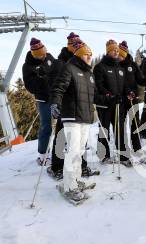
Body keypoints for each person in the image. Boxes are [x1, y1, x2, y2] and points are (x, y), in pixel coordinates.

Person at [50, 40, 96, 202]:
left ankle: (75, 179)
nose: (89, 56)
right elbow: (59, 87)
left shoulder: (89, 74)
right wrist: (55, 102)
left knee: (80, 151)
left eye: (91, 54)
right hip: (71, 116)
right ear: (78, 54)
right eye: (86, 54)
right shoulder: (69, 68)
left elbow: (94, 96)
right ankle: (69, 186)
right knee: (73, 150)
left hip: (85, 117)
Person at [94, 39, 131, 167]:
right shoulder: (100, 67)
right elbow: (98, 85)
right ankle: (104, 155)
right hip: (105, 104)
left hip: (118, 104)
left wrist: (129, 93)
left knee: (119, 130)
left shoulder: (120, 68)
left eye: (117, 50)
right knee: (104, 130)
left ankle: (123, 156)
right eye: (113, 50)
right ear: (108, 52)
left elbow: (125, 85)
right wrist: (108, 95)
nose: (116, 52)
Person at [22, 38, 58, 166]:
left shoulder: (49, 57)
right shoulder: (28, 66)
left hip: (56, 96)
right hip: (43, 99)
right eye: (39, 55)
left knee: (62, 123)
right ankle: (42, 154)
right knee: (46, 126)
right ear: (34, 54)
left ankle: (60, 149)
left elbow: (57, 71)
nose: (43, 57)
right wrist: (42, 78)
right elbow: (29, 86)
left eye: (44, 54)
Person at [118, 41, 144, 155]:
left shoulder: (133, 65)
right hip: (121, 99)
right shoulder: (116, 65)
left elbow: (141, 80)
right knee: (121, 125)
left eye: (121, 54)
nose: (119, 57)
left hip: (133, 99)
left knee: (135, 124)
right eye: (118, 54)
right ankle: (122, 149)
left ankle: (137, 148)